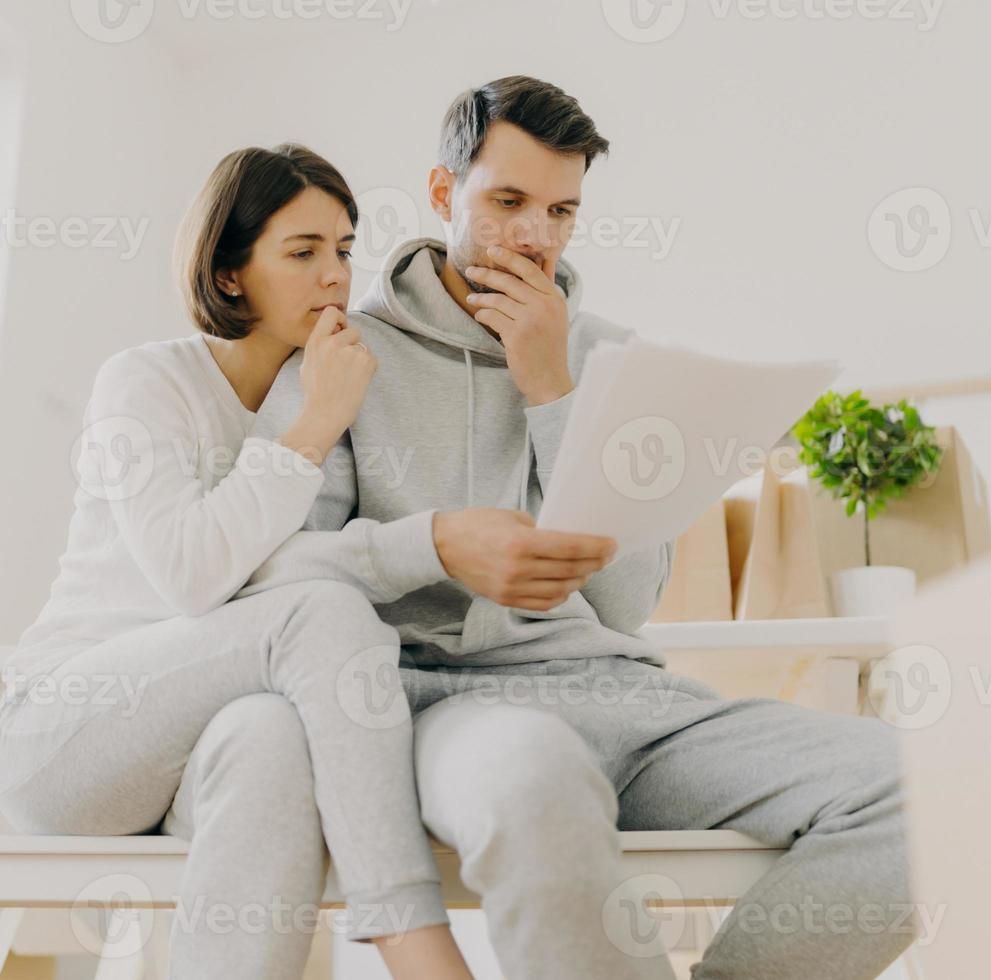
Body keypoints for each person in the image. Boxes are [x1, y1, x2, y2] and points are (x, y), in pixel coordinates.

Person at [240, 76, 916, 979]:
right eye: (508, 201)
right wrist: (437, 543)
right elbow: (279, 580)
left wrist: (552, 387)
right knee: (533, 784)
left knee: (928, 787)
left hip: (629, 705)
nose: (534, 235)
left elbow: (626, 603)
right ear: (444, 195)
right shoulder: (341, 355)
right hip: (451, 707)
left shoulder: (608, 358)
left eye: (560, 211)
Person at [0, 144, 500, 979]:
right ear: (230, 275)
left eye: (343, 250)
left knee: (270, 730)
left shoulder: (332, 393)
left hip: (197, 751)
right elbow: (192, 578)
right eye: (301, 253)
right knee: (319, 615)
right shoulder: (144, 381)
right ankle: (414, 944)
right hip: (66, 733)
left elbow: (322, 567)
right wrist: (313, 428)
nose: (334, 276)